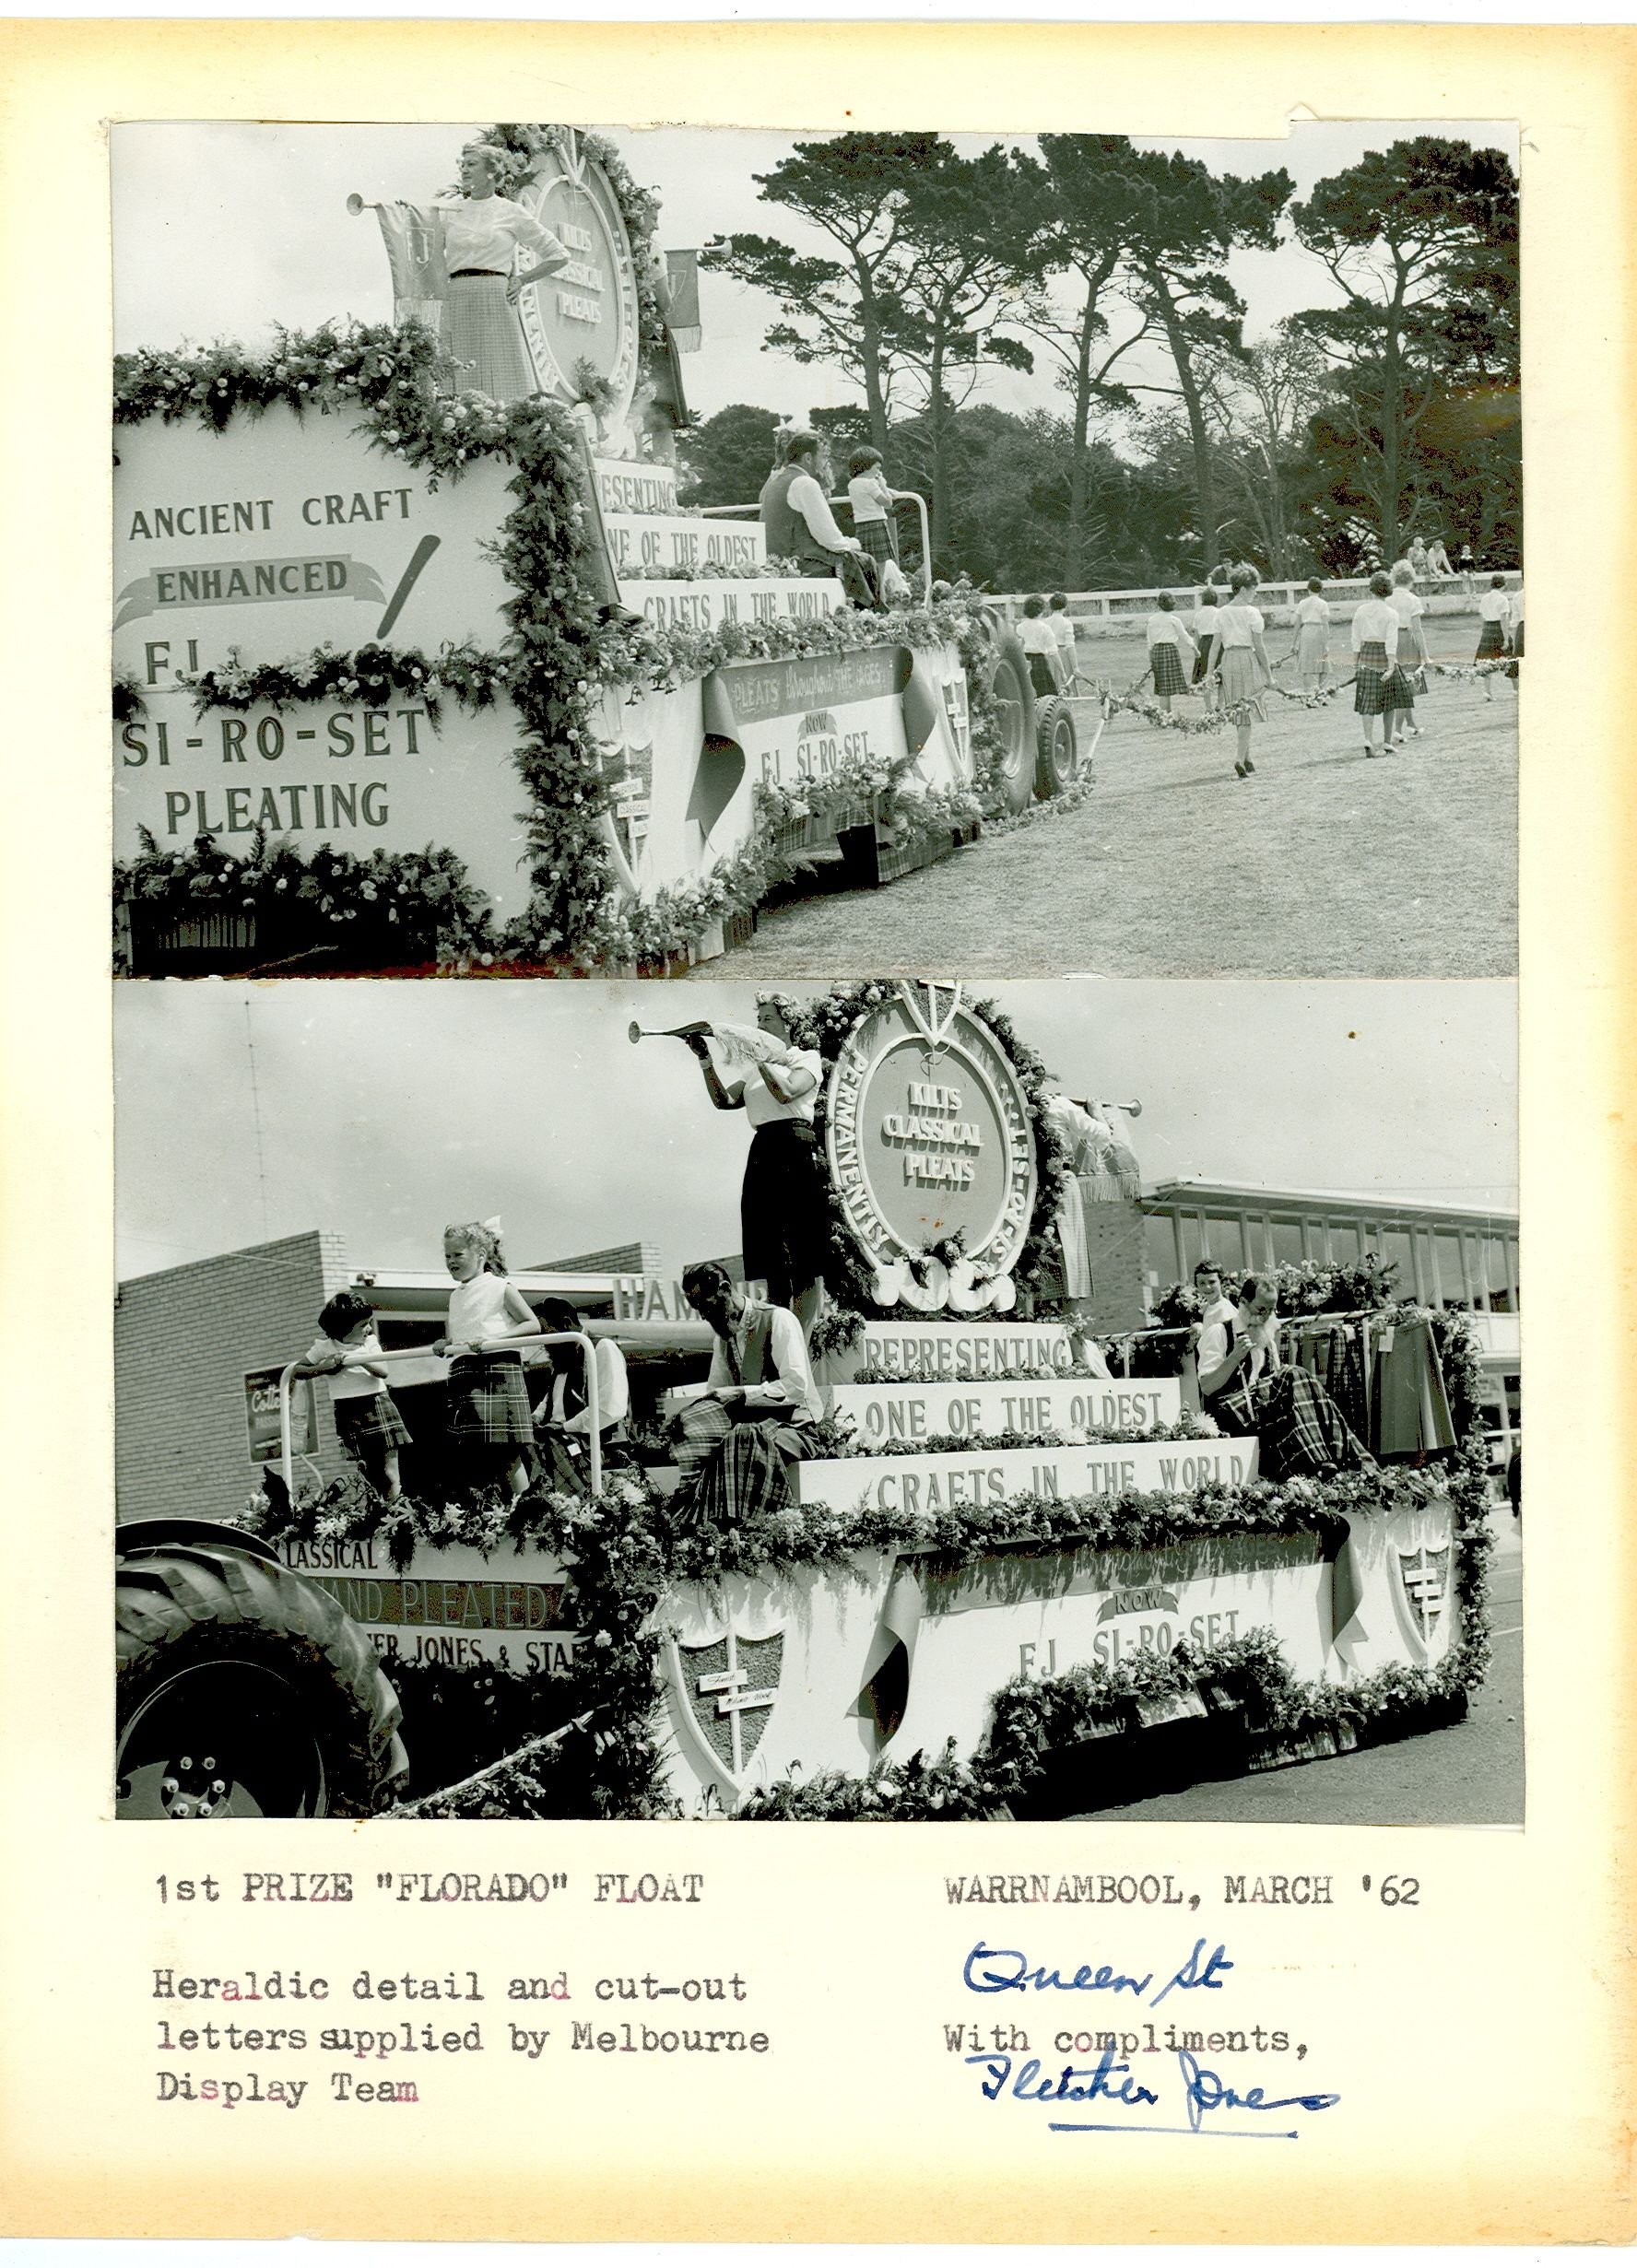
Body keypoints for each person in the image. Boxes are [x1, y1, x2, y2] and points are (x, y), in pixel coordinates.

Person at [684, 1000, 828, 1340]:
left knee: (805, 1260)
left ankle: (801, 1346)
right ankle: (780, 1342)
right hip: (763, 1149)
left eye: (768, 1019)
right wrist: (705, 1060)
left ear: (787, 1023)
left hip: (795, 1144)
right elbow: (725, 1101)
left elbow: (787, 1091)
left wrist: (761, 1058)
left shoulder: (804, 1059)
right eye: (758, 1019)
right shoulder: (754, 1070)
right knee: (771, 1259)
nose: (761, 1024)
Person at [671, 1261, 826, 1528]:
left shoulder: (778, 1319)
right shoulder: (723, 1339)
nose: (704, 1317)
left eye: (707, 1308)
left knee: (742, 1441)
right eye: (699, 1310)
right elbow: (716, 1393)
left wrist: (742, 1394)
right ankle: (698, 1525)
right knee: (698, 1438)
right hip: (754, 1430)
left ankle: (744, 1524)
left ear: (726, 1289)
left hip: (797, 1428)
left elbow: (796, 1386)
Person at [439, 144, 572, 402]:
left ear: (492, 172)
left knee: (502, 372)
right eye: (462, 164)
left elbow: (558, 255)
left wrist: (522, 280)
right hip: (456, 295)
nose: (464, 170)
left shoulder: (510, 212)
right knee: (456, 374)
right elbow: (424, 245)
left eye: (472, 164)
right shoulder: (451, 211)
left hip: (495, 295)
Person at [435, 1218, 539, 1503]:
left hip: (497, 1370)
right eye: (447, 1255)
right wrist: (446, 1344)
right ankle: (500, 1513)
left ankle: (525, 1510)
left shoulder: (499, 1286)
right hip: (466, 1371)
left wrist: (497, 1339)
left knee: (506, 1452)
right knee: (475, 1452)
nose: (451, 1261)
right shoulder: (456, 1295)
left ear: (480, 1255)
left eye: (458, 1255)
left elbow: (532, 1325)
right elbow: (463, 1335)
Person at [292, 1290, 410, 1502]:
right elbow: (298, 1370)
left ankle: (397, 1511)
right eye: (362, 1325)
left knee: (390, 1473)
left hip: (377, 1404)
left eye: (369, 1322)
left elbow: (383, 1371)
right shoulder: (325, 1347)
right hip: (348, 1410)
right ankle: (379, 1514)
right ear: (343, 1330)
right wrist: (324, 1368)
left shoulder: (369, 1343)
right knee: (370, 1473)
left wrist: (358, 1359)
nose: (368, 1328)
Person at [759, 430, 877, 608]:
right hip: (797, 562)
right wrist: (852, 544)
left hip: (775, 559)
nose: (825, 463)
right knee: (865, 560)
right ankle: (870, 619)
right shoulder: (805, 483)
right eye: (823, 457)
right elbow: (829, 538)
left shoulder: (776, 480)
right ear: (808, 458)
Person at [531, 1298, 630, 1495]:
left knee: (547, 1451)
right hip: (559, 1438)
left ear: (567, 1324)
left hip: (596, 1444)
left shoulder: (601, 1348)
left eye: (546, 1334)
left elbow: (610, 1407)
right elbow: (550, 1400)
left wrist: (564, 1428)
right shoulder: (562, 1359)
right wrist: (534, 1418)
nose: (544, 1343)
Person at [1206, 564, 1273, 780]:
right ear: (1243, 589)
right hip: (1246, 659)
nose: (1255, 593)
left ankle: (1247, 758)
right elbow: (1260, 646)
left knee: (1239, 711)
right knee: (1246, 712)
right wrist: (1269, 674)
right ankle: (1238, 759)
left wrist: (1209, 673)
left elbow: (1216, 646)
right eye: (1253, 589)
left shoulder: (1222, 613)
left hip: (1228, 661)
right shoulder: (1252, 613)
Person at [1195, 1274, 1282, 1428]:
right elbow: (1206, 1387)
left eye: (1271, 1310)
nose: (1266, 1317)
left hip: (1262, 1425)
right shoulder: (1219, 1333)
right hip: (1227, 1426)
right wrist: (1234, 1358)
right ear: (1243, 1303)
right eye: (1261, 1310)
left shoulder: (1268, 1342)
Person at [1350, 570, 1402, 758]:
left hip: (1365, 655)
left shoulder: (1361, 610)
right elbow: (1391, 641)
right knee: (1389, 701)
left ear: (1372, 589)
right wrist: (1390, 666)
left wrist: (1355, 663)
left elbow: (1355, 639)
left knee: (1367, 701)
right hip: (1383, 656)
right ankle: (1387, 742)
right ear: (1388, 590)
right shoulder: (1391, 613)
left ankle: (1368, 739)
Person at [1385, 562, 1429, 745]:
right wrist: (1425, 655)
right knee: (1407, 686)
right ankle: (1396, 730)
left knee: (1402, 684)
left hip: (1390, 641)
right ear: (1411, 579)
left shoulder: (1387, 599)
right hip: (1406, 640)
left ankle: (1411, 724)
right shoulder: (1412, 599)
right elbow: (1417, 630)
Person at [846, 448, 901, 570]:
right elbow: (887, 503)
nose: (878, 472)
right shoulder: (870, 484)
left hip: (861, 526)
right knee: (880, 570)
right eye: (877, 468)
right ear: (866, 467)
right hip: (877, 525)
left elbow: (869, 495)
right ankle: (881, 590)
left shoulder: (853, 484)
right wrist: (883, 484)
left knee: (866, 568)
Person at [1145, 592, 1196, 715]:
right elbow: (1184, 636)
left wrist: (1151, 658)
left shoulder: (1152, 620)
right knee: (1165, 685)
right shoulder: (1174, 620)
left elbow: (1150, 642)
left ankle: (1166, 712)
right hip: (1169, 650)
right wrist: (1195, 648)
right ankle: (1164, 713)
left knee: (1163, 684)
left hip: (1157, 652)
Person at [1018, 594, 1068, 698]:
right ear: (1041, 610)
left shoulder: (1019, 627)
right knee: (1046, 696)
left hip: (1023, 661)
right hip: (1039, 661)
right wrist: (1062, 672)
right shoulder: (1045, 628)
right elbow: (1053, 653)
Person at [1290, 578, 1331, 695]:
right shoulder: (1323, 603)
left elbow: (1297, 625)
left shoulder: (1303, 603)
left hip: (1307, 632)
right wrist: (1326, 643)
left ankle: (1309, 693)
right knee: (1323, 663)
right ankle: (1321, 691)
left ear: (1308, 589)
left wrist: (1293, 643)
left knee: (1307, 664)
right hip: (1318, 631)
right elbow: (1325, 624)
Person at [1475, 575, 1513, 700]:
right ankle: (1516, 690)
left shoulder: (1484, 598)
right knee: (1511, 658)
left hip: (1487, 628)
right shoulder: (1503, 599)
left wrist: (1485, 629)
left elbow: (1481, 616)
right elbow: (1503, 620)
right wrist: (1506, 638)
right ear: (1503, 584)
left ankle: (1487, 692)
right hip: (1497, 629)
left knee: (1487, 661)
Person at [1191, 588, 1222, 711]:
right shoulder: (1219, 612)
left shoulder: (1198, 614)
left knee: (1205, 676)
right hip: (1217, 643)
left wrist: (1196, 650)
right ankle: (1220, 704)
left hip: (1203, 645)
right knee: (1222, 676)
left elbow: (1196, 635)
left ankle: (1208, 707)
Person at [1047, 594, 1080, 687]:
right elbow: (1070, 646)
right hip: (1062, 655)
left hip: (1047, 655)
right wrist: (1075, 667)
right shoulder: (1067, 623)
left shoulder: (1045, 622)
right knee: (1066, 685)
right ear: (1064, 607)